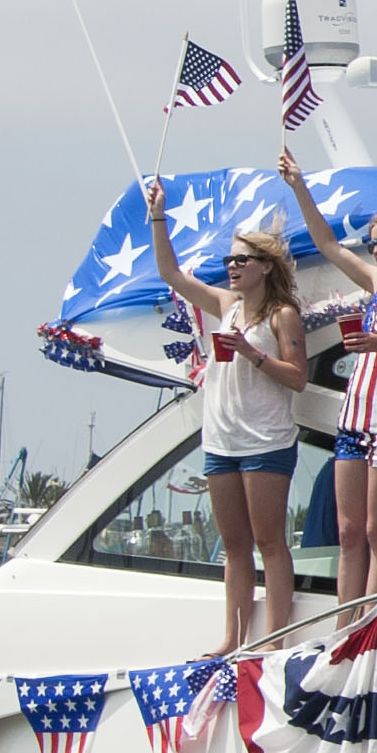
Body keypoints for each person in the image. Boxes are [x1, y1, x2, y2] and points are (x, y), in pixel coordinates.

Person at [142, 175, 310, 644]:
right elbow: (171, 274)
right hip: (221, 439)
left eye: (242, 260)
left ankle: (276, 637)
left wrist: (252, 353)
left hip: (265, 439)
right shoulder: (226, 305)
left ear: (265, 267)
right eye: (229, 260)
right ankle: (232, 638)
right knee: (234, 547)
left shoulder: (282, 315)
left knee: (269, 541)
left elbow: (297, 377)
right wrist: (158, 215)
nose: (232, 267)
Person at [286, 150, 377, 601]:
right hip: (354, 419)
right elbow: (329, 245)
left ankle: (372, 623)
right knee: (349, 533)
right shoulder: (375, 288)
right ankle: (345, 625)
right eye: (373, 244)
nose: (376, 251)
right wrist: (299, 187)